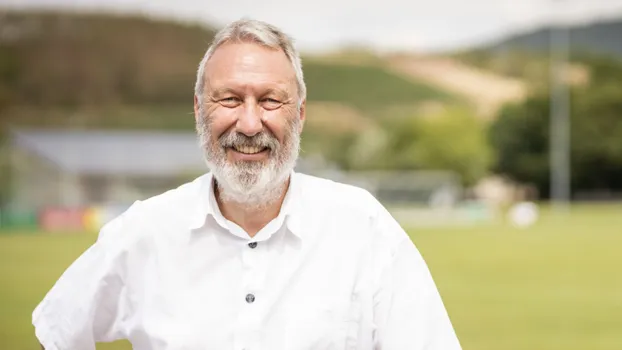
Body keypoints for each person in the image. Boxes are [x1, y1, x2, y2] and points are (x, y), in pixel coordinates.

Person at [33, 18, 462, 350]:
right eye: (230, 99)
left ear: (301, 113)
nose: (251, 123)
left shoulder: (363, 227)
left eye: (271, 100)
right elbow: (56, 331)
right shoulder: (144, 231)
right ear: (200, 109)